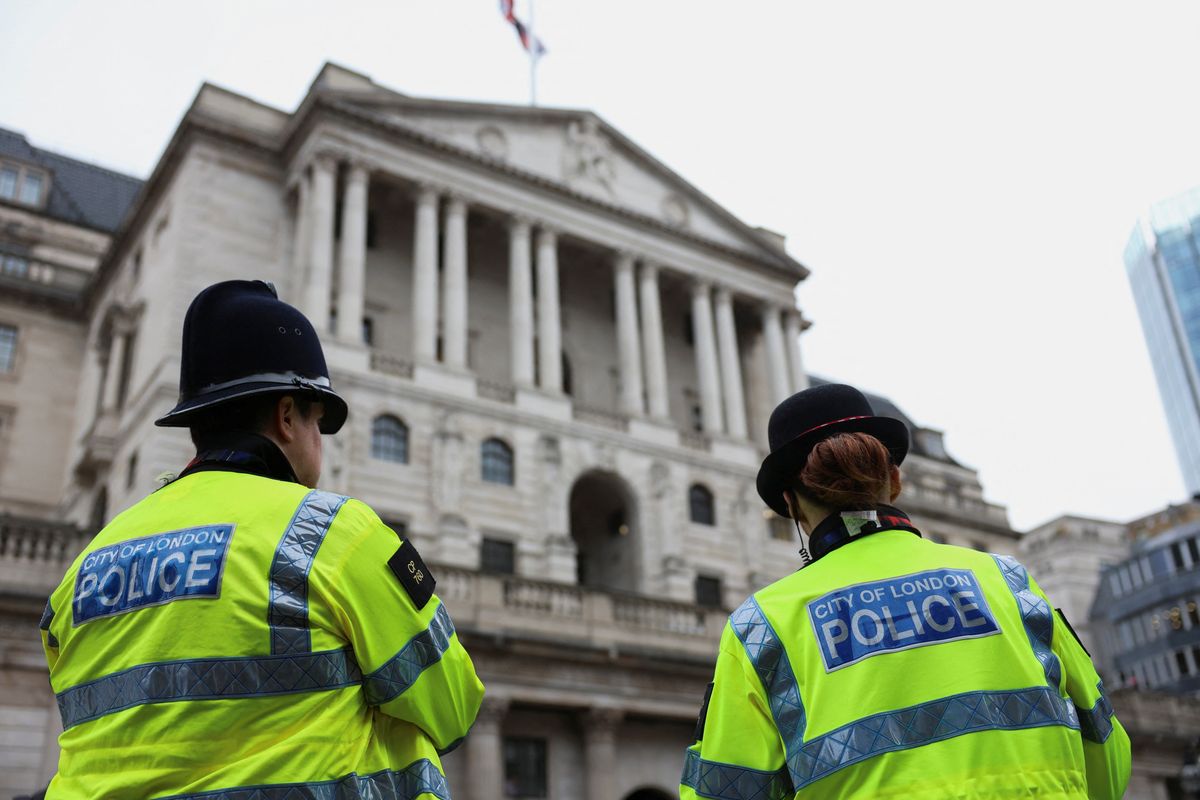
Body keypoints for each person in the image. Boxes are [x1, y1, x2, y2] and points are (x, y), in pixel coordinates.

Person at [40, 280, 484, 798]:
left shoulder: (84, 569)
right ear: (288, 415)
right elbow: (454, 705)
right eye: (320, 422)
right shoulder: (333, 533)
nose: (320, 442)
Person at [680, 383, 1130, 799]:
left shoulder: (761, 626)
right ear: (894, 480)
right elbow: (1104, 744)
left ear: (792, 504)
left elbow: (723, 791)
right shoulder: (1007, 581)